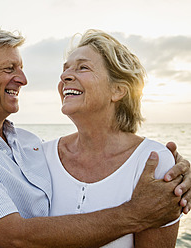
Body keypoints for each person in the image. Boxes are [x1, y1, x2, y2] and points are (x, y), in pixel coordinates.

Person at [0, 27, 191, 248]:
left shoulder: (30, 147)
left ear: (119, 90)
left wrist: (176, 169)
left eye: (81, 68)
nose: (23, 79)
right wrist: (135, 213)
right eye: (9, 69)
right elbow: (16, 238)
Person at [43, 29, 181, 248]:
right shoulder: (40, 155)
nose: (65, 76)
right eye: (65, 69)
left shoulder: (153, 161)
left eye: (83, 67)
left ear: (117, 90)